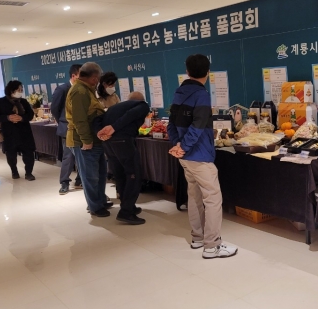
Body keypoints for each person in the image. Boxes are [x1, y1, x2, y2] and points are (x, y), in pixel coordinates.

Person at [167, 54, 237, 259]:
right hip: (200, 155)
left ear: (187, 71)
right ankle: (212, 245)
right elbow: (198, 126)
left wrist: (178, 145)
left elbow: (171, 124)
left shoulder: (179, 92)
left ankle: (197, 238)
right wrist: (184, 146)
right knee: (213, 199)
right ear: (208, 73)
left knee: (195, 196)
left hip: (186, 157)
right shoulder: (202, 95)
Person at [95, 91, 150, 225]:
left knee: (120, 174)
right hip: (123, 141)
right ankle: (126, 212)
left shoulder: (114, 107)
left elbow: (97, 119)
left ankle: (128, 205)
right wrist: (114, 128)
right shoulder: (142, 105)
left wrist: (100, 132)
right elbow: (130, 115)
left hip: (108, 143)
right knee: (134, 174)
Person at [66, 62, 110, 217]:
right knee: (90, 176)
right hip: (84, 141)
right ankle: (95, 206)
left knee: (101, 173)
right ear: (94, 78)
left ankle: (100, 200)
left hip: (94, 139)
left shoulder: (86, 90)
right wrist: (86, 140)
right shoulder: (80, 91)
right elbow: (80, 119)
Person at [0, 81, 36, 180]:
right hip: (9, 132)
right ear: (11, 90)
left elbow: (30, 114)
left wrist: (22, 118)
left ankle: (29, 173)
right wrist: (8, 118)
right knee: (11, 154)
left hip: (24, 132)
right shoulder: (1, 101)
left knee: (28, 153)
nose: (20, 91)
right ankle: (14, 171)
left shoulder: (23, 102)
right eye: (18, 89)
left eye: (21, 89)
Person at [50, 64, 82, 195]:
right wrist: (62, 121)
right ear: (74, 76)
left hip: (82, 128)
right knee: (68, 157)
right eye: (81, 75)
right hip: (67, 127)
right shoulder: (62, 89)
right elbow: (54, 109)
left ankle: (80, 180)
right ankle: (64, 182)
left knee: (82, 156)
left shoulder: (83, 89)